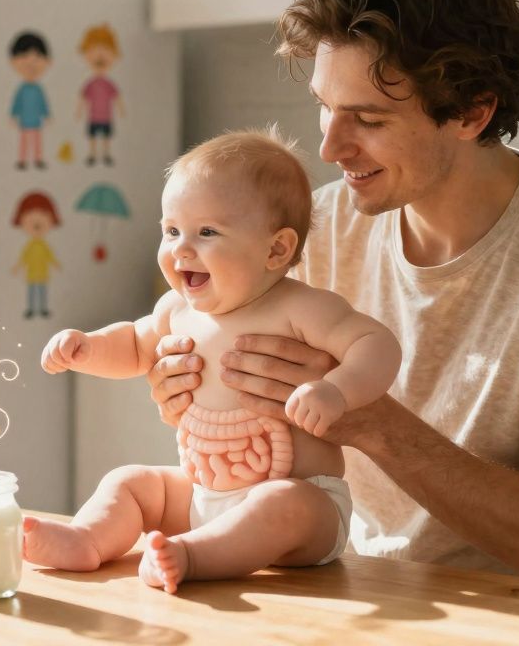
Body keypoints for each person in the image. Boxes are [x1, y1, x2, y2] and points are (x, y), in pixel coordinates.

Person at [145, 0, 519, 590]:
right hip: (359, 589)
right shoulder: (318, 227)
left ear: (472, 113)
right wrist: (191, 382)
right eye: (325, 106)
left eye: (366, 118)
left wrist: (373, 421)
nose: (330, 146)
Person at [24, 129, 401, 593]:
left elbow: (376, 344)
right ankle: (88, 538)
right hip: (202, 490)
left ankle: (193, 556)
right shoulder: (176, 309)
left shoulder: (301, 308)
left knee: (282, 502)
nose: (181, 248)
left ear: (276, 249)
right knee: (132, 481)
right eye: (171, 230)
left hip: (305, 506)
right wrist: (87, 346)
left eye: (206, 232)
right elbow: (135, 345)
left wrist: (337, 390)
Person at [76, 24, 124, 167]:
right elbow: (83, 97)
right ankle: (92, 154)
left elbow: (117, 97)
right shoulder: (90, 84)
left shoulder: (109, 84)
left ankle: (106, 154)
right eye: (94, 50)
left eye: (105, 49)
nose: (100, 55)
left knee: (106, 137)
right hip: (93, 117)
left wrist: (121, 110)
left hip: (106, 117)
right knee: (93, 136)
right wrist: (79, 111)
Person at [11, 191, 61, 319]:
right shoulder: (30, 246)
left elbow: (50, 257)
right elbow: (24, 258)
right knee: (32, 293)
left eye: (43, 214)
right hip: (32, 275)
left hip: (42, 274)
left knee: (42, 292)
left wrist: (56, 264)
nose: (37, 220)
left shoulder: (44, 245)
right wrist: (17, 267)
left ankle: (43, 308)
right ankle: (32, 309)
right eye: (29, 215)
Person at [9, 31, 52, 170]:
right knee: (24, 141)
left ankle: (38, 159)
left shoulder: (38, 89)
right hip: (24, 121)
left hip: (36, 121)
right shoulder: (22, 89)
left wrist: (46, 115)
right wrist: (13, 115)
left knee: (37, 141)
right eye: (25, 56)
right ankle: (22, 160)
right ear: (13, 61)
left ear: (47, 61)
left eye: (36, 57)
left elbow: (43, 104)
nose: (30, 63)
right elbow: (17, 103)